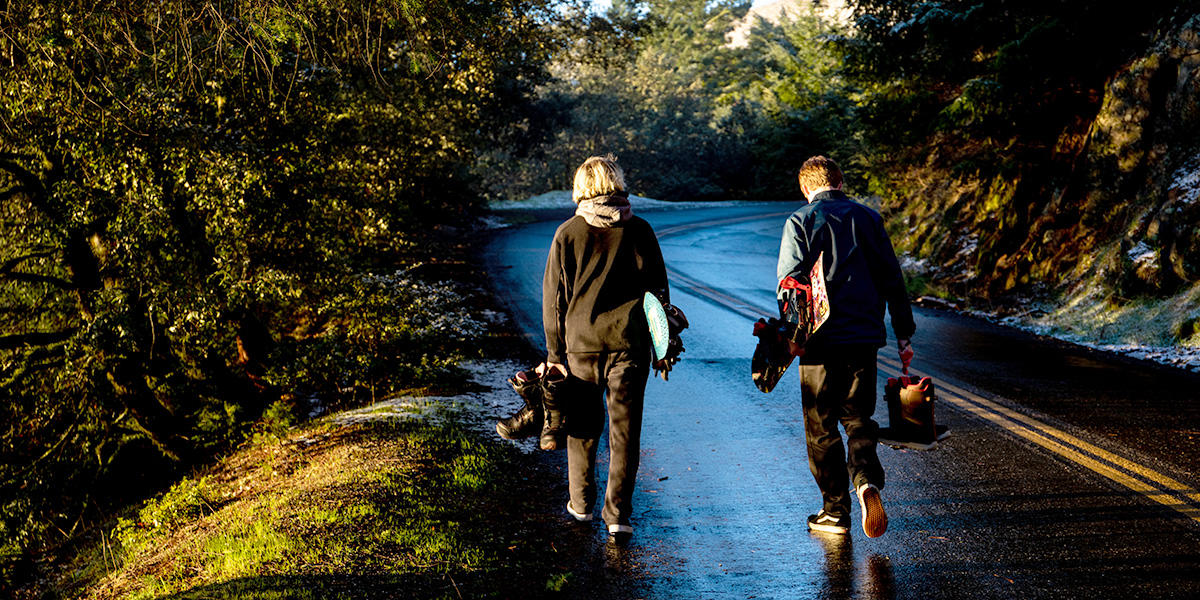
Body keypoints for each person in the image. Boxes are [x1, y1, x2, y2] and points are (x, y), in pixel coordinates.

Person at [776, 155, 915, 538]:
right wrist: (904, 334)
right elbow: (893, 280)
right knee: (858, 418)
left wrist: (787, 340)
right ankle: (867, 481)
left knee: (821, 425)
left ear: (806, 188)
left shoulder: (800, 221)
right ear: (840, 181)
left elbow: (789, 286)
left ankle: (835, 512)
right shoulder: (869, 219)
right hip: (864, 337)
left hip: (818, 341)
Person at [541, 154, 669, 541]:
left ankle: (580, 505)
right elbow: (658, 295)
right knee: (624, 432)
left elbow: (553, 300)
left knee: (581, 427)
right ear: (617, 183)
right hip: (629, 345)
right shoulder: (640, 230)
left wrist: (553, 355)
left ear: (582, 185)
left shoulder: (568, 232)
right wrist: (662, 346)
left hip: (580, 347)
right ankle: (618, 515)